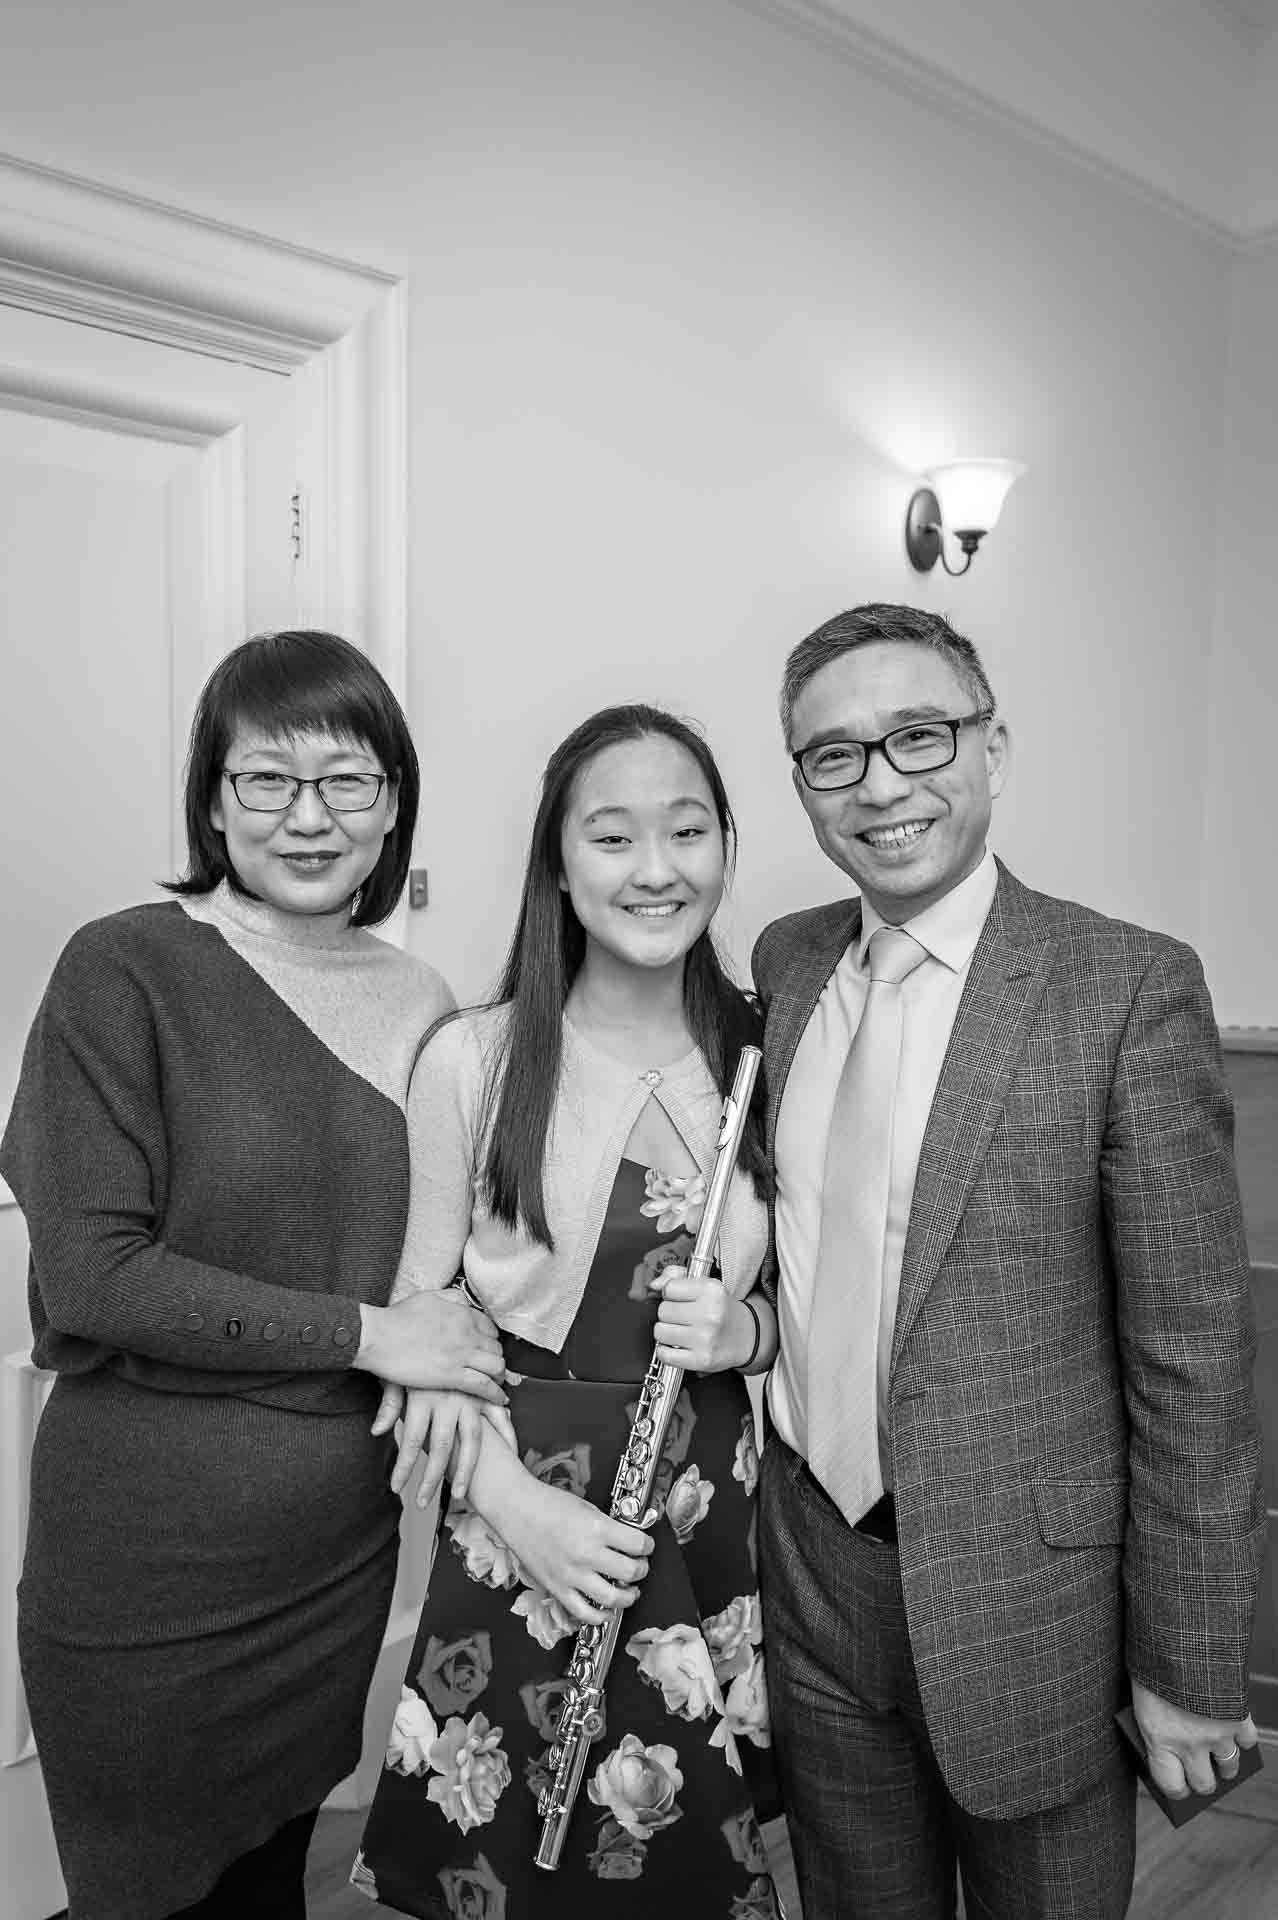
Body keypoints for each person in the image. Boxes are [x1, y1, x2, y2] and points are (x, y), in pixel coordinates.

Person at [752, 603, 1266, 1919]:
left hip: (1028, 1598)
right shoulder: (789, 962)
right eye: (833, 755)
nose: (878, 784)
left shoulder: (1123, 988)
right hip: (814, 1574)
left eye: (916, 737)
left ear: (991, 749)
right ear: (801, 782)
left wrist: (1190, 1661)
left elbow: (1190, 1361)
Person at [0, 629, 509, 1920]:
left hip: (334, 1551)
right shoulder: (125, 968)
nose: (307, 816)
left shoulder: (420, 997)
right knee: (143, 1897)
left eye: (346, 781)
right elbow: (98, 1275)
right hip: (149, 1566)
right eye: (264, 780)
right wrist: (370, 1335)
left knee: (274, 1875)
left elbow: (439, 1252)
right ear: (212, 800)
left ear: (391, 802)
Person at [351, 705, 783, 1919]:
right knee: (514, 1868)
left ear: (725, 848)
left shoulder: (775, 1045)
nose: (657, 869)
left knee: (693, 1862)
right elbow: (420, 1313)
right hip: (521, 1494)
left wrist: (746, 1333)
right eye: (613, 836)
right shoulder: (473, 1059)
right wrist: (513, 1506)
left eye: (689, 830)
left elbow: (849, 1309)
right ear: (557, 862)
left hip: (708, 1498)